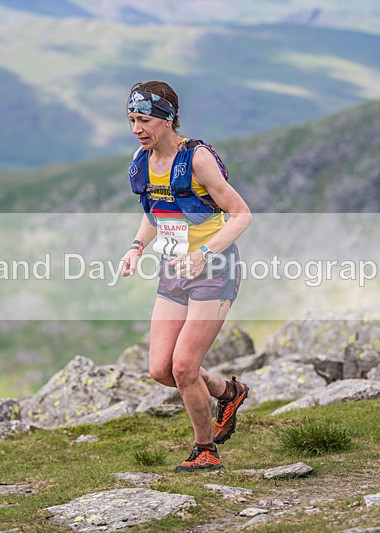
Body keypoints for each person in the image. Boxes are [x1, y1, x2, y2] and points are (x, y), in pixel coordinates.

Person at [120, 81, 253, 472]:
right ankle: (230, 393)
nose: (136, 129)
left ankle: (205, 449)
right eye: (131, 120)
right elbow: (155, 212)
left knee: (184, 367)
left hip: (215, 268)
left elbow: (242, 214)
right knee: (161, 368)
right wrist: (136, 247)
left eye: (143, 120)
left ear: (166, 119)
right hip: (174, 268)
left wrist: (205, 253)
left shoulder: (196, 159)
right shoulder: (142, 160)